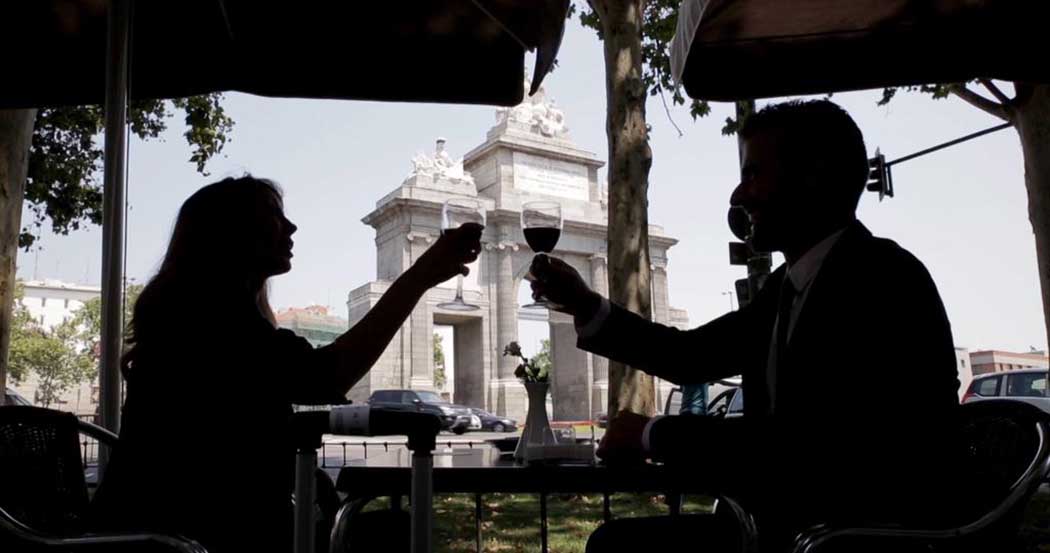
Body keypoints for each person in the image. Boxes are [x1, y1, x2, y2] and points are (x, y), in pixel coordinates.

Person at [529, 100, 960, 553]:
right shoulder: (786, 286)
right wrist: (584, 304)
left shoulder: (884, 281)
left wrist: (652, 434)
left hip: (851, 539)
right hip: (788, 525)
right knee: (614, 542)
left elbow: (804, 448)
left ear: (812, 177)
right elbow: (691, 356)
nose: (738, 196)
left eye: (754, 174)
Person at [91, 175, 481, 553]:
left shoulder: (195, 315)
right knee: (397, 532)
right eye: (276, 216)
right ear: (234, 232)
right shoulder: (215, 320)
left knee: (389, 529)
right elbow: (325, 376)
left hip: (185, 522)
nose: (292, 227)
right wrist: (417, 279)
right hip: (196, 533)